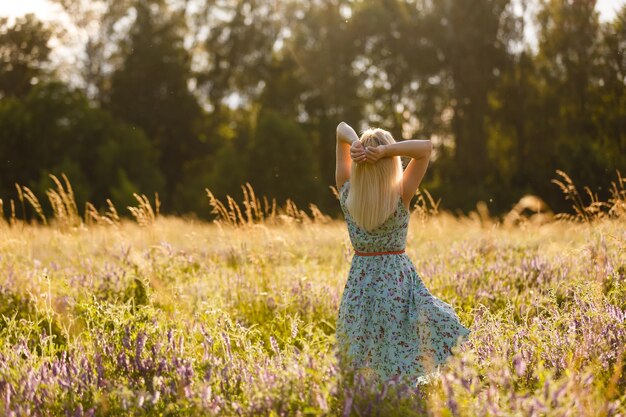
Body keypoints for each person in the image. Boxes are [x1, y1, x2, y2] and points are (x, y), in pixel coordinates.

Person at [334, 121, 470, 385]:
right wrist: (387, 151)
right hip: (397, 285)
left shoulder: (346, 191)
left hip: (360, 284)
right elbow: (426, 149)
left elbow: (340, 128)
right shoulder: (401, 194)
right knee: (399, 347)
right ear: (391, 165)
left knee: (363, 352)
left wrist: (354, 143)